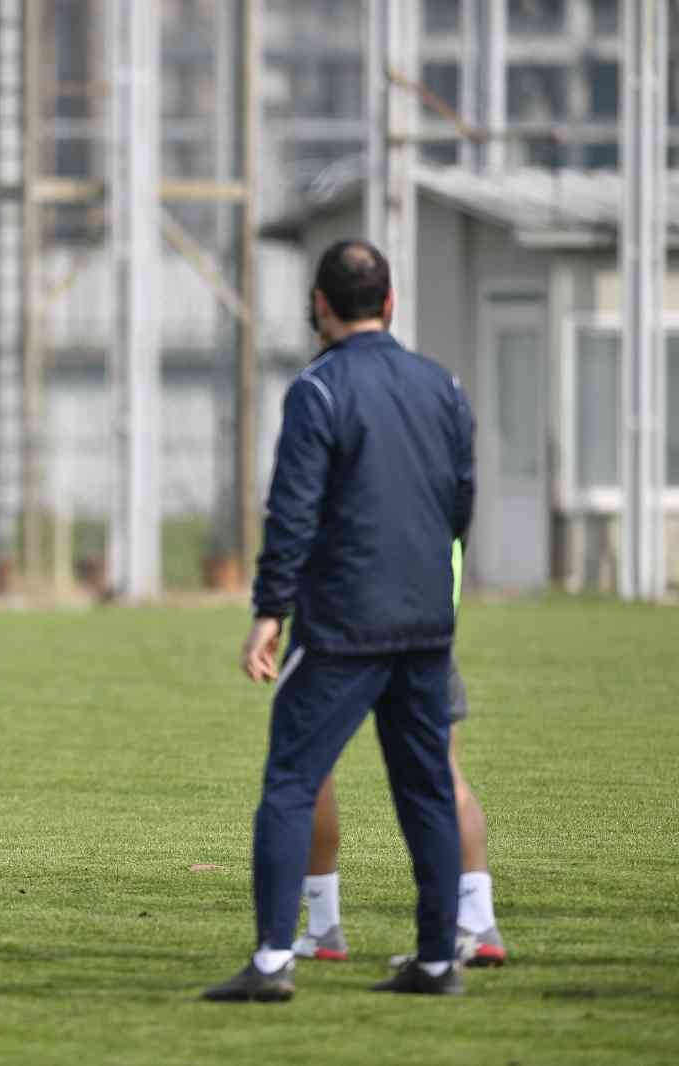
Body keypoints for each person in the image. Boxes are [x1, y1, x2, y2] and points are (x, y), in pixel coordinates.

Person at [203, 238, 475, 1002]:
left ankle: (270, 965)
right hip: (427, 621)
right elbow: (461, 503)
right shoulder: (443, 386)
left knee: (291, 780)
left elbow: (292, 511)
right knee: (424, 787)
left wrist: (268, 613)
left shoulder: (318, 390)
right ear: (390, 303)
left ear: (319, 305)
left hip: (345, 625)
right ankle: (433, 959)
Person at [294, 544, 507, 968]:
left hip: (345, 629)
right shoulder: (439, 478)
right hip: (425, 625)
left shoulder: (353, 480)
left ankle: (322, 927)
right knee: (443, 775)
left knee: (309, 771)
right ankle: (479, 924)